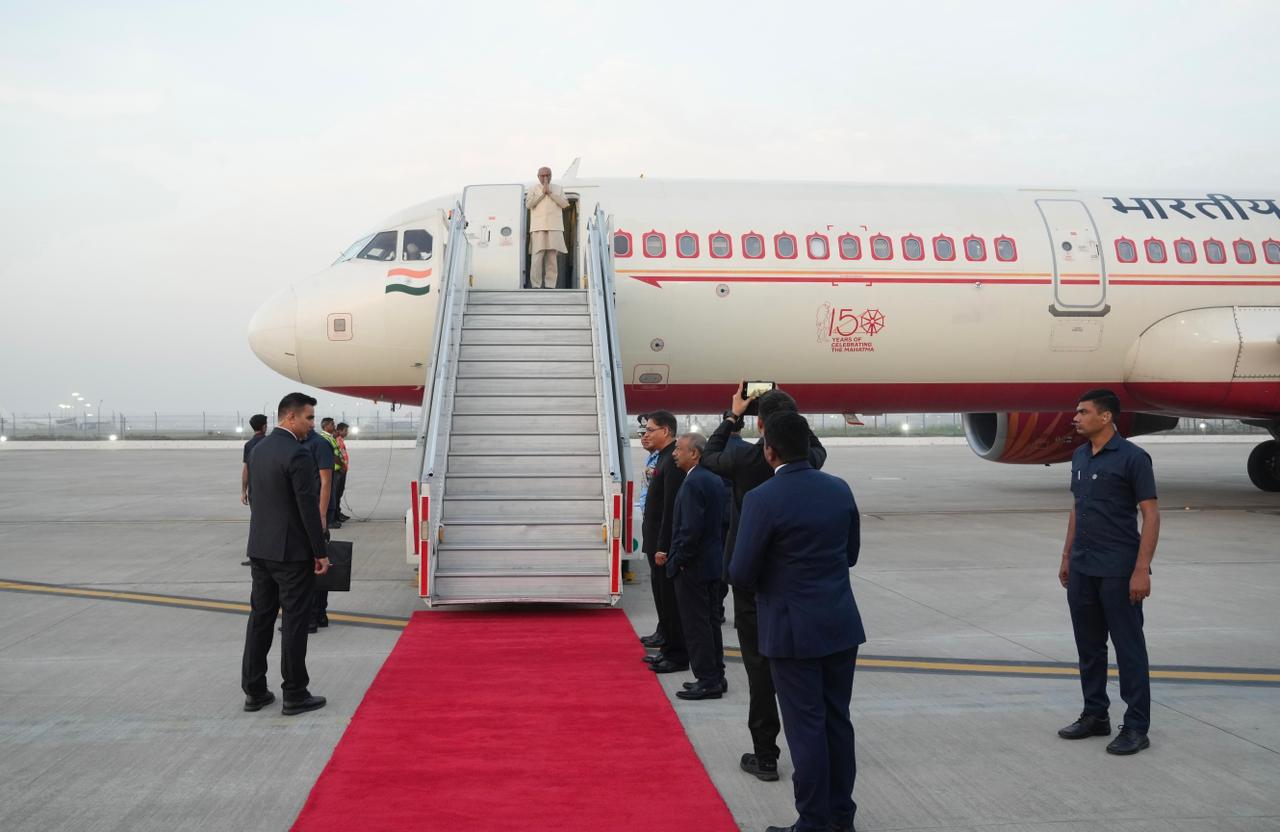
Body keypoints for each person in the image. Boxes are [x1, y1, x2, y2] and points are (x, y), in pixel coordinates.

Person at [729, 411, 863, 832]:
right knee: (837, 722)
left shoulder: (763, 498)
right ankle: (841, 815)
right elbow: (851, 553)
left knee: (805, 729)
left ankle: (813, 821)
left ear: (769, 450)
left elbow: (741, 572)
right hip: (840, 623)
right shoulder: (838, 488)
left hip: (791, 631)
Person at [701, 386, 828, 783]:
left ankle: (765, 755)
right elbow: (811, 446)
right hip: (795, 582)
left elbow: (707, 456)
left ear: (759, 424)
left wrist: (731, 415)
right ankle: (811, 754)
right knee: (803, 673)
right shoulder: (814, 460)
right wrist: (790, 415)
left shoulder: (742, 458)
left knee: (760, 671)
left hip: (751, 579)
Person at [1057, 388, 1160, 756]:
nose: (1075, 417)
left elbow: (1150, 514)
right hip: (1084, 566)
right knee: (1089, 647)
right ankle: (1095, 714)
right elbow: (1076, 507)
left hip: (1119, 569)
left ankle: (1136, 726)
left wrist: (1141, 569)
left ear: (1105, 418)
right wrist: (1067, 555)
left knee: (1129, 649)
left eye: (1083, 412)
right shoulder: (1080, 456)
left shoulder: (1133, 458)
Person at [241, 392, 330, 717]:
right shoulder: (298, 454)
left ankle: (254, 691)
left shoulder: (259, 449)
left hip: (260, 550)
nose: (312, 424)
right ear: (290, 417)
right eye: (308, 418)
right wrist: (320, 552)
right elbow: (307, 508)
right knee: (294, 622)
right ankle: (294, 692)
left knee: (260, 619)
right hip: (291, 554)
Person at [667, 433, 727, 700]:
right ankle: (716, 675)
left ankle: (707, 679)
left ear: (695, 454)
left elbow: (690, 530)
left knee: (697, 625)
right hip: (712, 563)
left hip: (693, 567)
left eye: (679, 449)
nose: (674, 453)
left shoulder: (693, 483)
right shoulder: (713, 480)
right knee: (711, 622)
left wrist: (678, 560)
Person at [640, 410, 688, 673]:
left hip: (663, 543)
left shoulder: (673, 461)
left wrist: (662, 545)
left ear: (666, 432)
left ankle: (677, 654)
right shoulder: (662, 459)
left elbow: (670, 509)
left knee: (670, 601)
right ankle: (668, 648)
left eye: (650, 430)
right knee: (661, 599)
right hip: (655, 539)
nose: (646, 434)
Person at [301, 421, 335, 631]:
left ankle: (313, 616)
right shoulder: (303, 443)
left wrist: (321, 515)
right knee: (315, 564)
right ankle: (320, 614)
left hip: (315, 515)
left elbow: (326, 481)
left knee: (313, 566)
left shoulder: (318, 444)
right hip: (308, 514)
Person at [636, 415, 664, 648]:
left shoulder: (667, 460)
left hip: (659, 530)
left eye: (649, 431)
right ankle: (662, 629)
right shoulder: (654, 457)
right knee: (657, 583)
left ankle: (666, 632)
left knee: (663, 585)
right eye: (642, 432)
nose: (644, 436)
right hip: (651, 523)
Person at [525, 166, 569, 289]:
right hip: (538, 228)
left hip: (554, 227)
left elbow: (564, 204)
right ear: (538, 176)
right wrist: (542, 194)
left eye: (547, 175)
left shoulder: (558, 189)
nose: (545, 178)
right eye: (542, 175)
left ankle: (550, 285)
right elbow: (529, 204)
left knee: (552, 258)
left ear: (551, 175)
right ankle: (536, 285)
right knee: (537, 257)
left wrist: (550, 193)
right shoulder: (533, 189)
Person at [239, 413, 269, 565]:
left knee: (256, 522)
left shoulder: (249, 445)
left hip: (255, 491)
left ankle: (255, 556)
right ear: (264, 426)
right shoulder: (270, 442)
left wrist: (243, 491)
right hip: (271, 489)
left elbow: (246, 471)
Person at [319, 418, 343, 529]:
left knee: (335, 494)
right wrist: (341, 464)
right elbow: (334, 455)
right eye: (332, 424)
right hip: (331, 470)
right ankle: (329, 520)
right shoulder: (325, 438)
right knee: (331, 495)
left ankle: (333, 518)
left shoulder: (329, 437)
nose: (334, 426)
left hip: (335, 469)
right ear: (326, 426)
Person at [333, 422, 351, 523]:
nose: (347, 432)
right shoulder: (336, 440)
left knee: (339, 492)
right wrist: (342, 466)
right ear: (339, 430)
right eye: (345, 430)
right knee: (336, 493)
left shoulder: (340, 440)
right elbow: (336, 455)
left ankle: (338, 512)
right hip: (338, 470)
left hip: (342, 469)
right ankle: (335, 514)